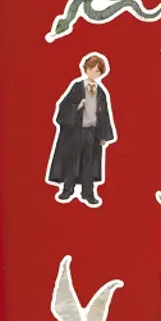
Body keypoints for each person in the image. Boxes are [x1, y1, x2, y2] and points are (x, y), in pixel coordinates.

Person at [46, 53, 116, 207]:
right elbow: (63, 106)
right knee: (72, 161)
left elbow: (104, 114)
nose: (93, 73)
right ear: (86, 69)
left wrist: (104, 135)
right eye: (91, 69)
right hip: (76, 132)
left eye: (97, 71)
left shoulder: (101, 92)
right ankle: (67, 190)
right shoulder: (77, 87)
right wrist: (77, 106)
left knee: (89, 164)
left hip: (92, 132)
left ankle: (88, 193)